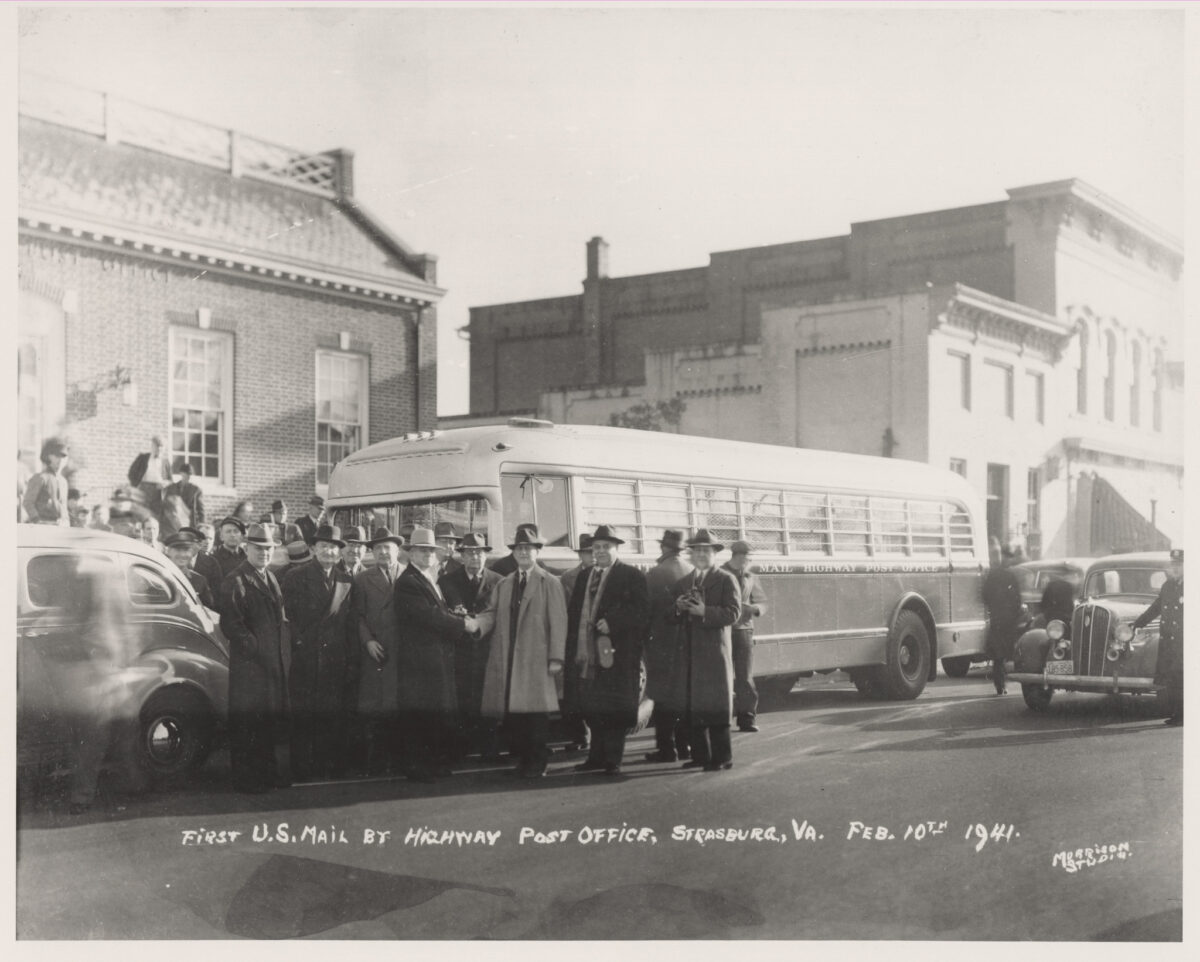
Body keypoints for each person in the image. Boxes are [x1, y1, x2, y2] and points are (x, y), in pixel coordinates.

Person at [477, 526, 567, 779]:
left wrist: (556, 659)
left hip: (537, 660)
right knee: (516, 714)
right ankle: (524, 761)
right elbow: (492, 614)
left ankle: (538, 763)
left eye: (528, 548)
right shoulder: (505, 584)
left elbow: (559, 622)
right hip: (509, 660)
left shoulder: (550, 582)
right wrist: (475, 625)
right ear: (514, 553)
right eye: (519, 548)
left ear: (537, 552)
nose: (524, 552)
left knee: (537, 715)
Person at [393, 527, 478, 782]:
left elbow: (439, 612)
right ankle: (420, 767)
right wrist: (463, 624)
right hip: (420, 661)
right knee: (423, 715)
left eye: (430, 550)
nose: (428, 554)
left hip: (433, 658)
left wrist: (456, 617)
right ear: (411, 554)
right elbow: (429, 616)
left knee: (432, 714)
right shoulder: (408, 582)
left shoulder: (426, 578)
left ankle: (431, 764)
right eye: (422, 550)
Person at [564, 525, 648, 776]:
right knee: (593, 707)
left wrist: (614, 622)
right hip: (588, 654)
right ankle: (596, 758)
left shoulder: (631, 575)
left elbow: (642, 612)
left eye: (605, 547)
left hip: (616, 654)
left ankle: (613, 760)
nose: (600, 552)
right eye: (596, 547)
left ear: (616, 548)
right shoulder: (585, 575)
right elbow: (576, 614)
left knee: (614, 709)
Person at [218, 522, 290, 794]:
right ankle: (248, 780)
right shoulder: (235, 580)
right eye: (258, 548)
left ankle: (265, 775)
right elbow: (231, 625)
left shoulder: (269, 576)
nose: (264, 553)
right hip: (250, 668)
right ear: (247, 549)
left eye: (268, 549)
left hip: (269, 664)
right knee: (249, 723)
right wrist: (254, 647)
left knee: (266, 722)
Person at [281, 524, 356, 780]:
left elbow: (349, 623)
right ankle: (302, 767)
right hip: (306, 657)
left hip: (335, 657)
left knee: (330, 713)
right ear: (313, 549)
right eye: (324, 546)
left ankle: (326, 764)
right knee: (304, 714)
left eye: (334, 547)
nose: (329, 551)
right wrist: (301, 645)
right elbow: (288, 619)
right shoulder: (295, 576)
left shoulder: (346, 580)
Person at [668, 529, 741, 772]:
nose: (700, 554)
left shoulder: (725, 579)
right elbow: (672, 617)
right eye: (696, 550)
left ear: (715, 554)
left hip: (714, 653)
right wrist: (678, 608)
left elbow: (734, 613)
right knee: (694, 706)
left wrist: (705, 612)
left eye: (706, 550)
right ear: (691, 554)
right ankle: (701, 755)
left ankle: (722, 757)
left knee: (716, 706)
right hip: (689, 654)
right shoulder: (684, 582)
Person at [440, 533, 502, 760]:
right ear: (462, 556)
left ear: (486, 555)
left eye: (479, 552)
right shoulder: (447, 581)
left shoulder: (499, 581)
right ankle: (463, 747)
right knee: (462, 697)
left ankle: (490, 747)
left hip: (488, 649)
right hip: (460, 650)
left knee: (488, 698)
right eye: (469, 553)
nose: (475, 557)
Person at [352, 527, 407, 774]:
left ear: (397, 550)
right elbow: (358, 616)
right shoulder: (363, 578)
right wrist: (368, 642)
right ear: (372, 552)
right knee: (374, 706)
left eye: (388, 547)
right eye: (379, 548)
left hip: (402, 650)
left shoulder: (408, 576)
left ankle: (396, 759)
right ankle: (375, 760)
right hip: (376, 650)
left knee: (398, 705)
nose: (384, 552)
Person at [643, 529, 694, 762]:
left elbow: (647, 611)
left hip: (661, 644)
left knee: (662, 698)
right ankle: (685, 747)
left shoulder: (655, 573)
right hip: (686, 645)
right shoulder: (691, 571)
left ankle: (667, 748)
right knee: (682, 697)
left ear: (664, 548)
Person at [1133, 548, 1183, 726]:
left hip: (1184, 641)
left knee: (1180, 677)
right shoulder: (1168, 586)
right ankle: (1177, 714)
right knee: (1171, 677)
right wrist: (1137, 624)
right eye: (1173, 565)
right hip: (1168, 639)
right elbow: (1155, 608)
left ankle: (1182, 715)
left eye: (1179, 565)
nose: (1175, 568)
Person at [723, 540, 769, 733]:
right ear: (738, 556)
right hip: (723, 630)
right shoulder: (720, 574)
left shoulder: (751, 577)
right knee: (721, 678)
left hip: (744, 631)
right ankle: (721, 720)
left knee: (745, 678)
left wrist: (756, 609)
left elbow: (762, 602)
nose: (749, 561)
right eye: (747, 558)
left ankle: (747, 719)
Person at [558, 534, 595, 752]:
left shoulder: (606, 575)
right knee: (572, 690)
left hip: (597, 638)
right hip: (573, 637)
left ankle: (594, 733)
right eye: (585, 552)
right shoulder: (569, 577)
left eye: (592, 551)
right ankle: (580, 735)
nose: (589, 556)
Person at [982, 539, 1023, 696]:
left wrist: (993, 608)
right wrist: (1014, 612)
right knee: (1005, 652)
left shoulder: (993, 575)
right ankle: (1002, 683)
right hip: (1008, 620)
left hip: (997, 618)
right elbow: (1017, 598)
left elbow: (985, 595)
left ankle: (1000, 684)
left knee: (998, 655)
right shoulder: (1010, 576)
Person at [23, 437, 70, 526]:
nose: (60, 460)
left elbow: (64, 507)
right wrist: (37, 520)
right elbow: (28, 502)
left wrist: (66, 520)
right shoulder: (40, 478)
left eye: (64, 457)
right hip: (42, 526)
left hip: (60, 527)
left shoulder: (64, 482)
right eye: (57, 456)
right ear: (49, 456)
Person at [163, 529, 215, 609]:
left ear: (191, 553)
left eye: (186, 550)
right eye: (178, 550)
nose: (183, 554)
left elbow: (208, 609)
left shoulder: (199, 580)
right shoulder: (159, 577)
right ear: (168, 551)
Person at [127, 436, 172, 520]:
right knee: (140, 513)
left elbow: (170, 480)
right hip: (143, 489)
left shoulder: (165, 462)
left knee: (155, 514)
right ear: (152, 446)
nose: (159, 450)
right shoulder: (143, 458)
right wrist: (137, 486)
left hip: (158, 492)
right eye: (157, 447)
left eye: (161, 448)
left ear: (164, 449)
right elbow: (131, 473)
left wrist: (165, 484)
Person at [161, 463, 205, 537]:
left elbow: (201, 511)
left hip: (189, 524)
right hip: (172, 524)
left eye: (190, 475)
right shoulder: (171, 488)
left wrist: (202, 525)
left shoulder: (196, 490)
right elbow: (165, 507)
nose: (188, 477)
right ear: (181, 474)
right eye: (186, 474)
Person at [212, 517, 247, 581]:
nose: (232, 535)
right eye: (228, 531)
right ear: (221, 536)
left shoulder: (248, 558)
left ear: (242, 536)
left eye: (236, 531)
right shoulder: (214, 559)